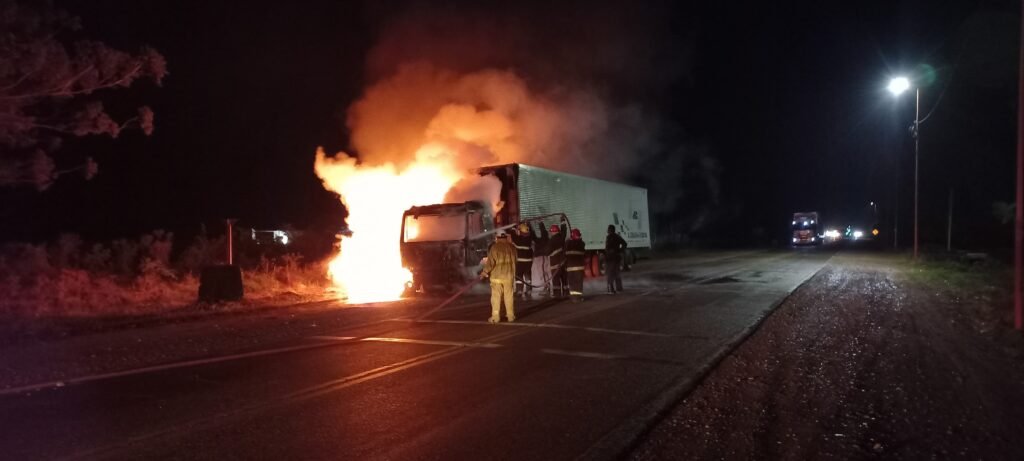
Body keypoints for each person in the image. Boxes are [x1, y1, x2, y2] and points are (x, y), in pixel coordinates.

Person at [480, 231, 518, 323]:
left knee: (496, 297)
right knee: (509, 296)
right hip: (508, 276)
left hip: (496, 277)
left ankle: (495, 317)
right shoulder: (512, 247)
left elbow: (490, 263)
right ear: (505, 237)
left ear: (497, 237)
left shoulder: (495, 247)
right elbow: (515, 260)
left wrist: (484, 272)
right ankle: (510, 316)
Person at [510, 222, 536, 299]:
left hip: (520, 262)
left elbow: (513, 235)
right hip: (528, 262)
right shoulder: (529, 239)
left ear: (520, 231)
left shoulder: (518, 239)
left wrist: (513, 227)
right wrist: (529, 225)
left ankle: (519, 291)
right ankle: (529, 290)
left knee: (519, 277)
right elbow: (531, 233)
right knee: (528, 276)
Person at [565, 228, 587, 302]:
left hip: (570, 268)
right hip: (579, 268)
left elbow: (565, 251)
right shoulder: (581, 243)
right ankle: (578, 298)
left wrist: (569, 240)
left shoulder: (568, 244)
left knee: (572, 283)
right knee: (578, 283)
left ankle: (573, 298)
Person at [604, 224, 627, 293]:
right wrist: (620, 250)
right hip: (617, 258)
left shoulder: (609, 237)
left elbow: (607, 248)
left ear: (610, 230)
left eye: (608, 229)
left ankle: (611, 289)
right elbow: (625, 244)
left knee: (610, 273)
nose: (608, 231)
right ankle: (619, 288)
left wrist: (607, 254)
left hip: (611, 258)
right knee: (617, 273)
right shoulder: (617, 236)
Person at [547, 223, 567, 296]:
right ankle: (566, 293)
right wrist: (563, 222)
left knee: (556, 280)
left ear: (553, 232)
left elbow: (547, 251)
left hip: (555, 265)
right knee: (564, 279)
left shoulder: (552, 240)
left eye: (551, 232)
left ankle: (557, 295)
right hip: (563, 263)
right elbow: (564, 232)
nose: (551, 233)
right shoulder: (562, 237)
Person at [532, 222, 551, 296]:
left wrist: (540, 225)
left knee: (543, 273)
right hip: (540, 258)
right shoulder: (541, 240)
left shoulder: (544, 239)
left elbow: (543, 234)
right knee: (543, 273)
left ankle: (546, 287)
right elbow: (534, 237)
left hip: (541, 258)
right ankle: (546, 287)